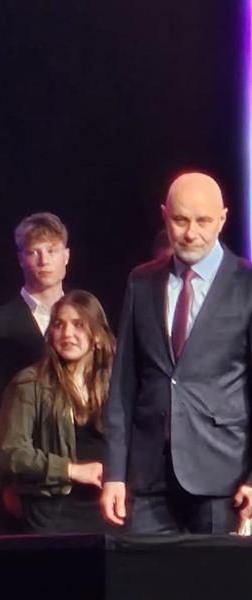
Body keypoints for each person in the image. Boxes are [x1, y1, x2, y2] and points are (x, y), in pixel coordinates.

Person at [103, 172, 252, 534]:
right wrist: (114, 473)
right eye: (181, 220)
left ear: (223, 219)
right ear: (164, 216)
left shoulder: (246, 284)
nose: (190, 233)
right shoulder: (141, 281)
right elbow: (124, 384)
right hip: (148, 477)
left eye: (203, 221)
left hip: (223, 478)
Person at [0, 212, 70, 533]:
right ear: (20, 259)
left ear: (66, 255)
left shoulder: (88, 320)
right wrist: (3, 483)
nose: (44, 260)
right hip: (24, 476)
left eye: (52, 250)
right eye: (34, 252)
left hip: (83, 473)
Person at [0, 290, 116, 533]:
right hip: (54, 511)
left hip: (108, 507)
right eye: (59, 325)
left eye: (78, 324)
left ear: (97, 335)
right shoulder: (30, 383)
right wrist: (71, 470)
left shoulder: (116, 383)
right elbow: (11, 452)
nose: (67, 333)